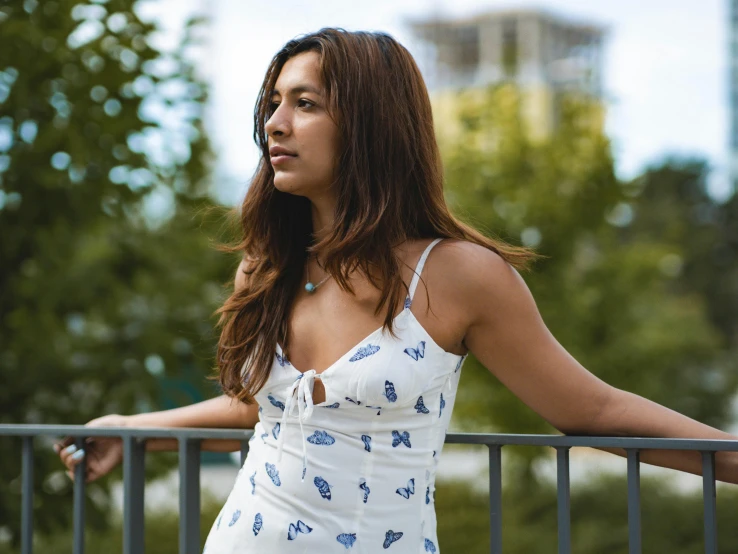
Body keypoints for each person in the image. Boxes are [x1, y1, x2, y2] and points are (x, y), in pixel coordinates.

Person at [55, 27, 738, 553]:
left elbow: (593, 409)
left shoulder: (457, 276)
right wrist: (135, 430)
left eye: (305, 104)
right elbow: (264, 410)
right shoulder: (267, 266)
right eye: (273, 104)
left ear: (369, 126)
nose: (274, 124)